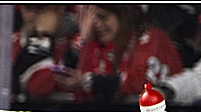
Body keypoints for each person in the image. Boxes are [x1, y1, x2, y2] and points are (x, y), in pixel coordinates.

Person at [53, 4, 183, 103]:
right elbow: (60, 81)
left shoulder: (152, 39)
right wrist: (82, 40)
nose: (96, 24)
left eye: (102, 17)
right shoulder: (95, 43)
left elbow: (140, 85)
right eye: (90, 18)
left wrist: (88, 82)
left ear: (123, 15)